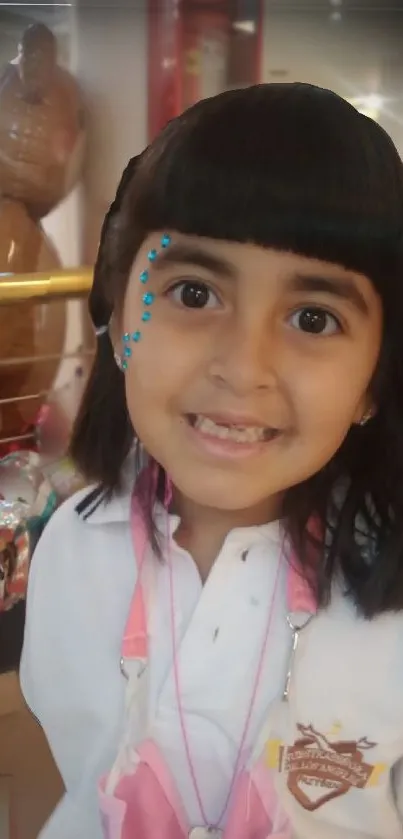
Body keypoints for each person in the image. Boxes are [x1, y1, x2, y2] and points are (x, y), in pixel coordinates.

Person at [20, 83, 403, 839]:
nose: (241, 364)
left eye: (313, 317)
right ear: (122, 316)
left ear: (373, 382)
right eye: (193, 291)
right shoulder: (70, 548)